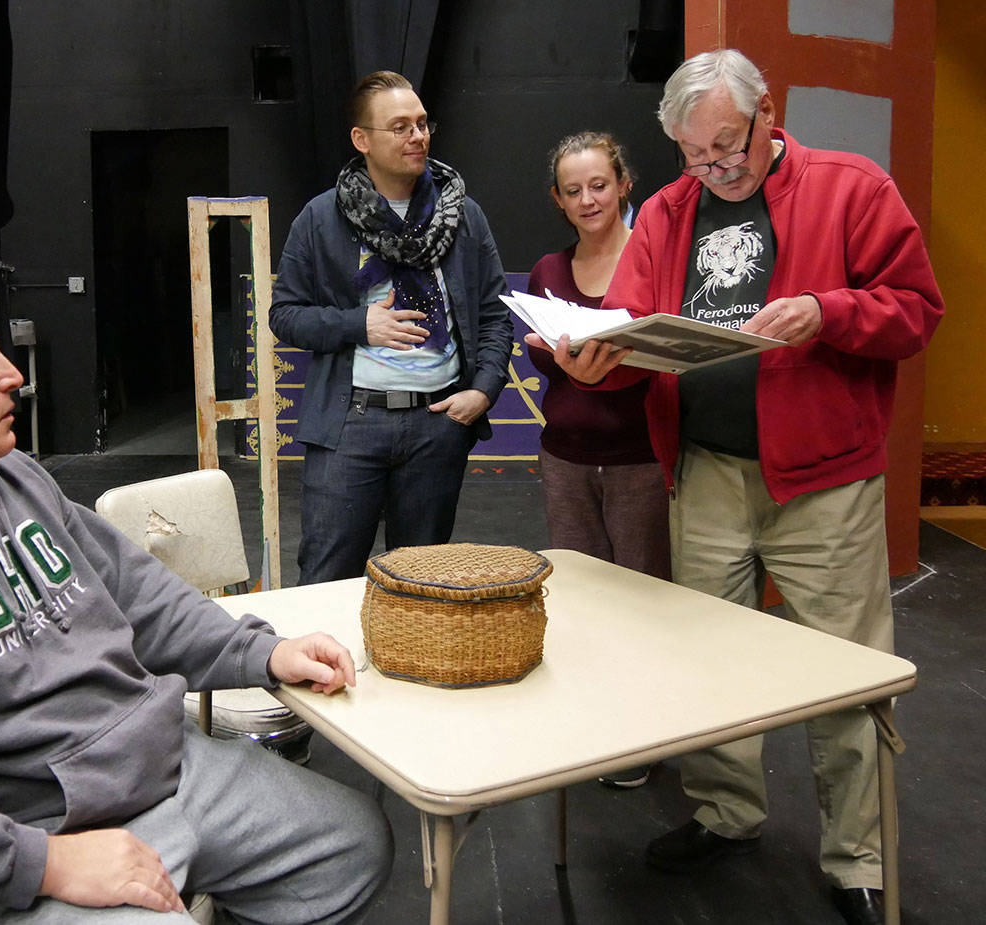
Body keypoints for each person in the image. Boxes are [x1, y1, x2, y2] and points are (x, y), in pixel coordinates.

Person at [0, 257, 393, 923]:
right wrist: (45, 862)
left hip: (159, 765)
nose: (14, 375)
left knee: (351, 848)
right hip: (33, 832)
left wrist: (261, 652)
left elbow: (136, 593)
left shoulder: (10, 475)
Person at [531, 50, 942, 925]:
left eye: (727, 147)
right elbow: (631, 332)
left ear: (768, 114)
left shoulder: (852, 187)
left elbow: (916, 310)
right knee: (707, 659)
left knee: (847, 671)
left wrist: (829, 311)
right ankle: (726, 812)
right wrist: (595, 359)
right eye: (692, 154)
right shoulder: (668, 212)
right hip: (707, 472)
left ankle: (859, 857)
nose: (713, 169)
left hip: (823, 481)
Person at [270, 70, 513, 584]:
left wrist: (483, 391)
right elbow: (285, 315)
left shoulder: (463, 215)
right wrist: (359, 324)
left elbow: (494, 315)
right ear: (362, 140)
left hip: (439, 424)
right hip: (350, 424)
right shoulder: (321, 217)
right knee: (325, 580)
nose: (417, 137)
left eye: (422, 124)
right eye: (400, 127)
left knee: (420, 585)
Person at [525, 131, 669, 790]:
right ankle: (594, 726)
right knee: (582, 596)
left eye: (599, 185)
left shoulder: (653, 261)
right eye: (574, 190)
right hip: (567, 459)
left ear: (624, 185)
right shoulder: (548, 273)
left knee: (642, 597)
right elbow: (546, 369)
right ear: (558, 199)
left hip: (640, 458)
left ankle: (643, 733)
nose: (588, 199)